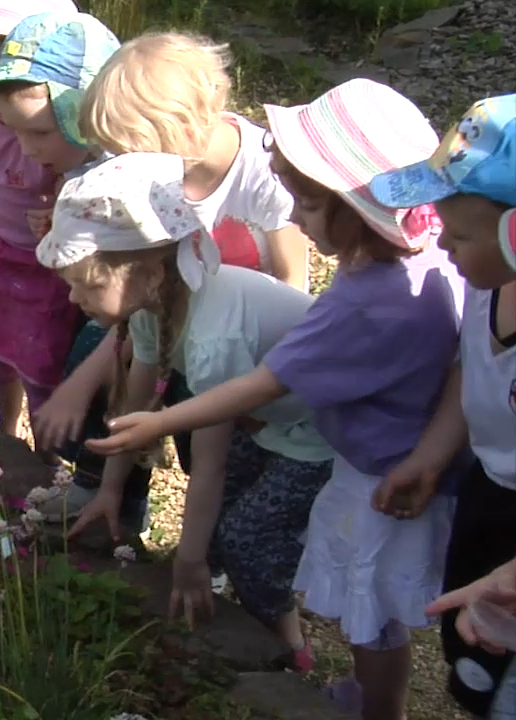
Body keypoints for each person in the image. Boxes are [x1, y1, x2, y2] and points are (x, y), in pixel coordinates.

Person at [88, 80, 466, 720]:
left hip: (377, 474)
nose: (291, 216)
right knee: (366, 610)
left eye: (309, 203)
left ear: (356, 207)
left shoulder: (365, 300)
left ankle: (382, 709)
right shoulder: (426, 255)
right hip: (395, 454)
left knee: (366, 609)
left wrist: (158, 420)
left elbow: (263, 385)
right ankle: (377, 698)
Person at [39, 152, 333, 671]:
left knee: (249, 541)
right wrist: (110, 490)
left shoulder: (214, 334)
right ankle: (222, 601)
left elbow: (209, 463)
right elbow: (132, 403)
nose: (73, 297)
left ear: (148, 271)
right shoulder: (157, 299)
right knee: (223, 525)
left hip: (322, 429)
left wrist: (188, 559)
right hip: (266, 419)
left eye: (87, 283)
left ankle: (287, 648)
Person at [33, 31, 311, 538]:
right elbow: (141, 318)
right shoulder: (153, 179)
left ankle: (214, 540)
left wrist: (264, 384)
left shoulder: (263, 173)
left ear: (174, 130)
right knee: (113, 362)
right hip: (175, 312)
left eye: (123, 149)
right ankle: (115, 496)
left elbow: (295, 281)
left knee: (220, 452)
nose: (116, 164)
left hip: (242, 342)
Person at [370, 93, 516, 719]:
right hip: (490, 492)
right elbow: (470, 374)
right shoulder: (489, 284)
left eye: (457, 233)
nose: (444, 248)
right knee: (473, 657)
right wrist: (431, 456)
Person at [0, 3, 113, 438]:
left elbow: (83, 188)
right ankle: (4, 443)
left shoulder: (61, 125)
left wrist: (61, 213)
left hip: (47, 267)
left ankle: (46, 461)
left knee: (42, 369)